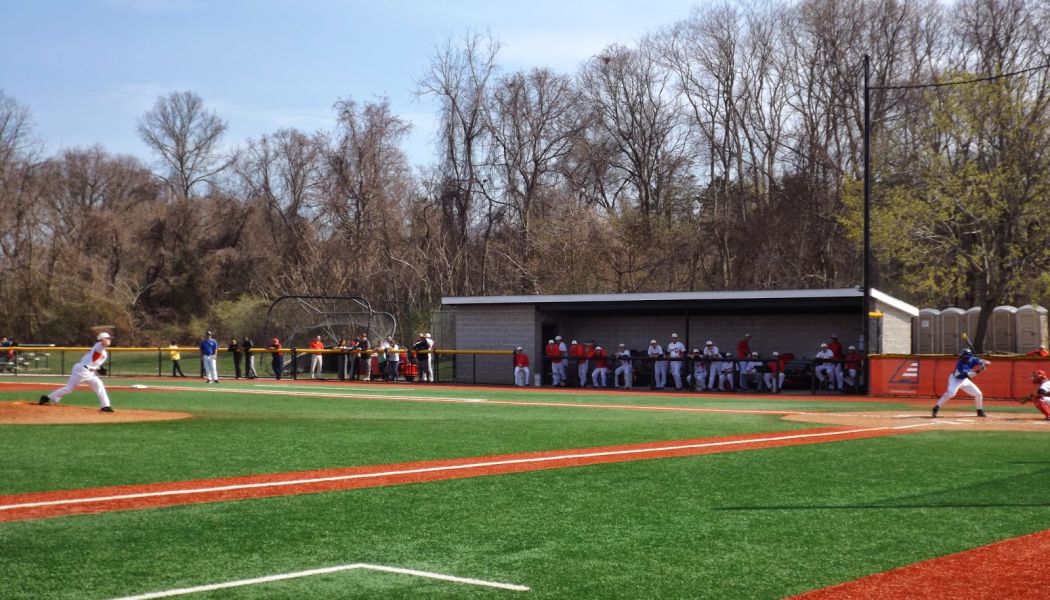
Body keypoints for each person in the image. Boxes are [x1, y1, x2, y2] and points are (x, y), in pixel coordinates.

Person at [39, 332, 115, 412]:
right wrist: (102, 340)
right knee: (69, 388)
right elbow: (100, 347)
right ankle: (48, 398)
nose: (110, 340)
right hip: (81, 370)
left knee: (99, 385)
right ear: (102, 340)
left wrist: (99, 368)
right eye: (108, 338)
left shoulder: (104, 353)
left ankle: (105, 406)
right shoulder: (99, 346)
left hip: (89, 372)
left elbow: (93, 362)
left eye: (110, 339)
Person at [932, 348, 991, 418]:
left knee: (978, 394)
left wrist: (983, 362)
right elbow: (969, 375)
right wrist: (980, 370)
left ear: (968, 357)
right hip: (955, 380)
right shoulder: (960, 364)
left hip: (964, 380)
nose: (961, 357)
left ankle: (979, 411)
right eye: (962, 356)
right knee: (951, 393)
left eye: (963, 356)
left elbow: (989, 362)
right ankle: (936, 408)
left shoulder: (973, 359)